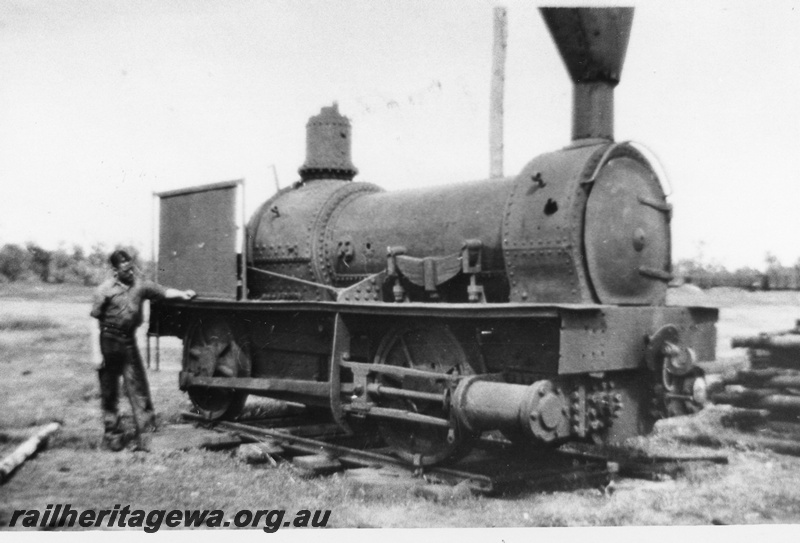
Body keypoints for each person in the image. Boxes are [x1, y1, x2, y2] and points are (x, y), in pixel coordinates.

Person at [90, 250, 195, 451]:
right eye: (125, 269)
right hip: (108, 341)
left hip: (128, 341)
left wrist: (182, 294)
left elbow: (163, 292)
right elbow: (94, 322)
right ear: (114, 270)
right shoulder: (104, 290)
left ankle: (147, 433)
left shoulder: (141, 285)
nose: (130, 272)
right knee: (109, 390)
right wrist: (96, 353)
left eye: (131, 268)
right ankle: (112, 435)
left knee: (138, 386)